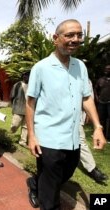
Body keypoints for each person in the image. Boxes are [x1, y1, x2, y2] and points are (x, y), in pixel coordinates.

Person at [25, 19, 106, 210]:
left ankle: (35, 184)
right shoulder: (41, 68)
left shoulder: (81, 66)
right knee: (51, 191)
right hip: (48, 138)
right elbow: (30, 102)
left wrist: (98, 127)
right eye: (70, 35)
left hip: (73, 139)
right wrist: (31, 135)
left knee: (65, 174)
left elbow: (86, 98)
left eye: (79, 35)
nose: (75, 39)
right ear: (55, 38)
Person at [10, 71, 29, 147]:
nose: (28, 77)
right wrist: (13, 106)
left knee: (25, 127)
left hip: (28, 110)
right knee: (15, 124)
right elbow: (12, 96)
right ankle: (10, 135)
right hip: (18, 108)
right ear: (23, 76)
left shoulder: (32, 85)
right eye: (26, 75)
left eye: (29, 75)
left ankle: (23, 141)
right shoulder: (17, 85)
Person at [95, 63, 110, 140]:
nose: (107, 70)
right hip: (101, 102)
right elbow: (96, 90)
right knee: (101, 119)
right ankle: (101, 135)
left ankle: (108, 137)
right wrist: (97, 98)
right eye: (106, 69)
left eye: (108, 69)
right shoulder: (100, 80)